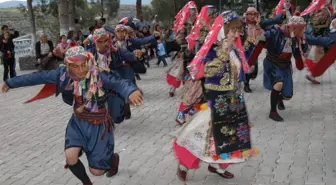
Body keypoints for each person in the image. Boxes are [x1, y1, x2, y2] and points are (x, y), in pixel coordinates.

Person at [0, 46, 144, 185]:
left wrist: (130, 90)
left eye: (83, 64)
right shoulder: (62, 75)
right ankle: (86, 183)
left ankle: (112, 160)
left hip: (99, 126)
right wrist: (10, 82)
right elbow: (37, 77)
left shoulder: (98, 74)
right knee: (70, 156)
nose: (81, 70)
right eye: (75, 66)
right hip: (78, 122)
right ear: (68, 65)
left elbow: (118, 82)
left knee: (97, 171)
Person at [175, 10, 257, 182]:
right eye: (233, 30)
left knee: (231, 137)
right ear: (222, 31)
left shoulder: (235, 49)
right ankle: (183, 164)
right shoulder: (212, 50)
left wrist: (251, 44)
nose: (236, 34)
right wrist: (223, 55)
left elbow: (243, 67)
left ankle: (218, 166)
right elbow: (208, 73)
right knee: (203, 135)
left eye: (237, 30)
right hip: (216, 101)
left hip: (234, 100)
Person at [263, 15, 307, 121]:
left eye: (302, 28)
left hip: (285, 65)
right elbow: (264, 31)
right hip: (272, 63)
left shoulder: (297, 37)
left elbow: (299, 54)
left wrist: (302, 38)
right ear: (292, 27)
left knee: (287, 95)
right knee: (278, 84)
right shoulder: (277, 32)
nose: (301, 30)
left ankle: (278, 98)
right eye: (299, 28)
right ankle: (272, 112)